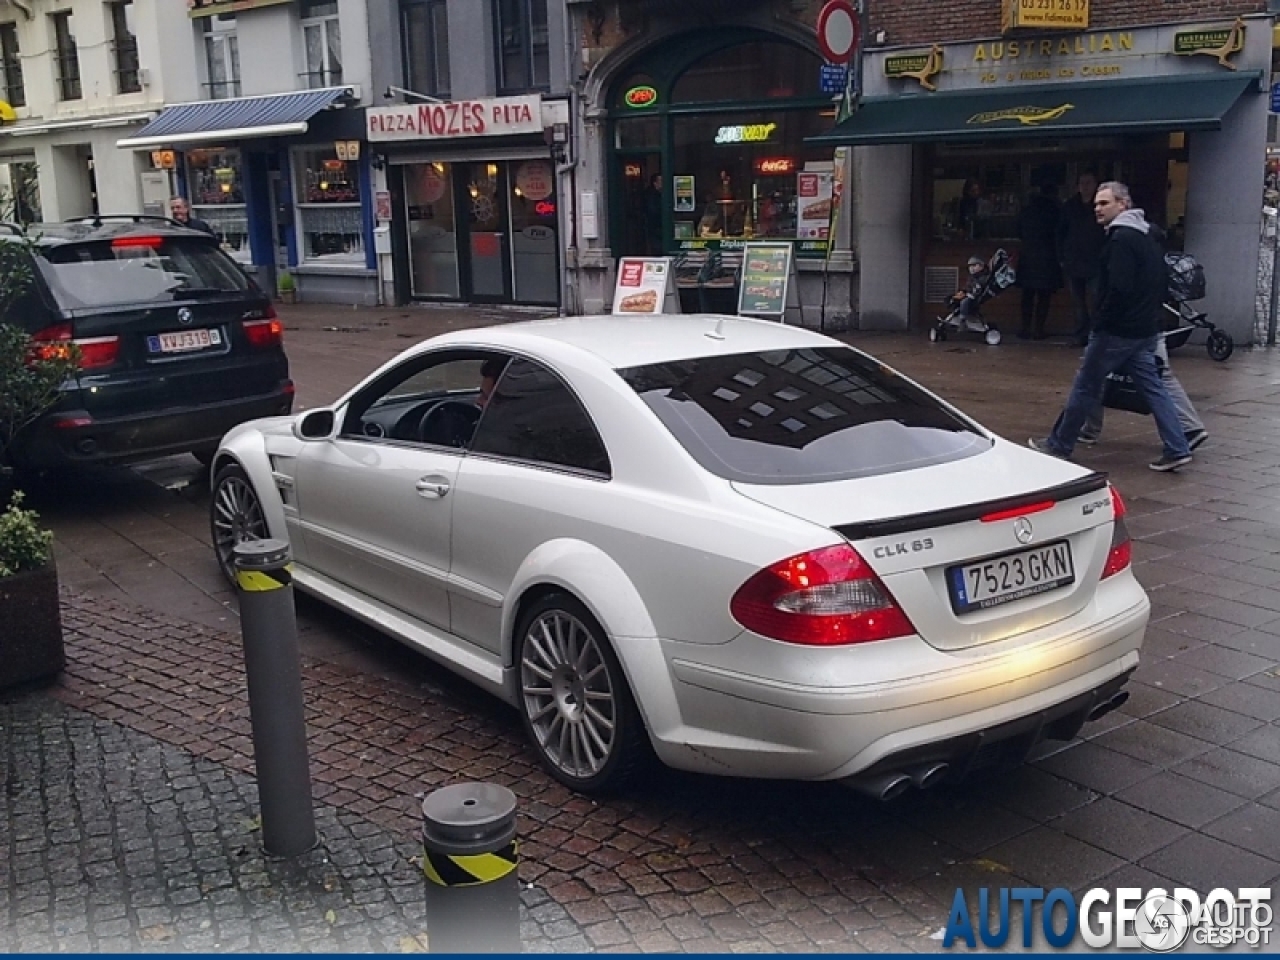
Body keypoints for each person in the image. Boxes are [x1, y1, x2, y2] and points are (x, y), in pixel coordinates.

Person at [1028, 181, 1193, 472]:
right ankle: (1177, 447)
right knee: (1154, 388)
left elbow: (1118, 288)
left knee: (1085, 385)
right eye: (1095, 204)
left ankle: (1060, 444)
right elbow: (1159, 283)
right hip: (1144, 330)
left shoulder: (1121, 240)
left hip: (1118, 331)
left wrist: (1100, 321)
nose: (1097, 209)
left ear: (1123, 205)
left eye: (1104, 203)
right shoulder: (1148, 237)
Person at [1057, 170, 1106, 346]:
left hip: (1096, 262)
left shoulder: (1101, 207)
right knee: (1077, 303)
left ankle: (1096, 337)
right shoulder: (1070, 206)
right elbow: (1060, 233)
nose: (1085, 187)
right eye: (1082, 183)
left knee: (1096, 301)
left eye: (1089, 182)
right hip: (1073, 261)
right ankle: (1080, 335)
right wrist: (1061, 257)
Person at [1016, 179, 1061, 340]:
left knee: (1027, 295)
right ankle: (1038, 330)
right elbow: (1060, 232)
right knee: (1044, 296)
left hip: (1028, 256)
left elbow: (1018, 231)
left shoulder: (1027, 210)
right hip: (1048, 257)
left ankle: (1025, 328)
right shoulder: (1055, 210)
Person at [643, 174, 663, 255]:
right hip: (655, 226)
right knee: (656, 247)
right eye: (661, 181)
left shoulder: (659, 194)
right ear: (655, 183)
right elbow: (653, 211)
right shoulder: (652, 195)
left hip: (656, 226)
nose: (663, 183)